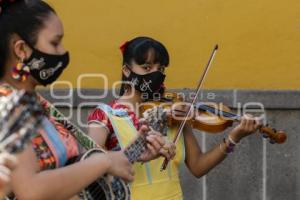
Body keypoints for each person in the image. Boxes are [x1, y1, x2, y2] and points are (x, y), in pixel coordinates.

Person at [0, 1, 166, 199]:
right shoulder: (9, 105)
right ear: (21, 49)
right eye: (55, 42)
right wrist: (103, 163)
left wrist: (129, 154)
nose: (62, 52)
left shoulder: (34, 103)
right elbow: (29, 190)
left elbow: (61, 173)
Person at [87, 36, 262, 200]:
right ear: (126, 70)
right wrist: (138, 153)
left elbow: (198, 166)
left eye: (160, 69)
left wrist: (234, 137)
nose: (156, 74)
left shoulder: (174, 114)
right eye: (147, 68)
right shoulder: (105, 115)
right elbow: (90, 167)